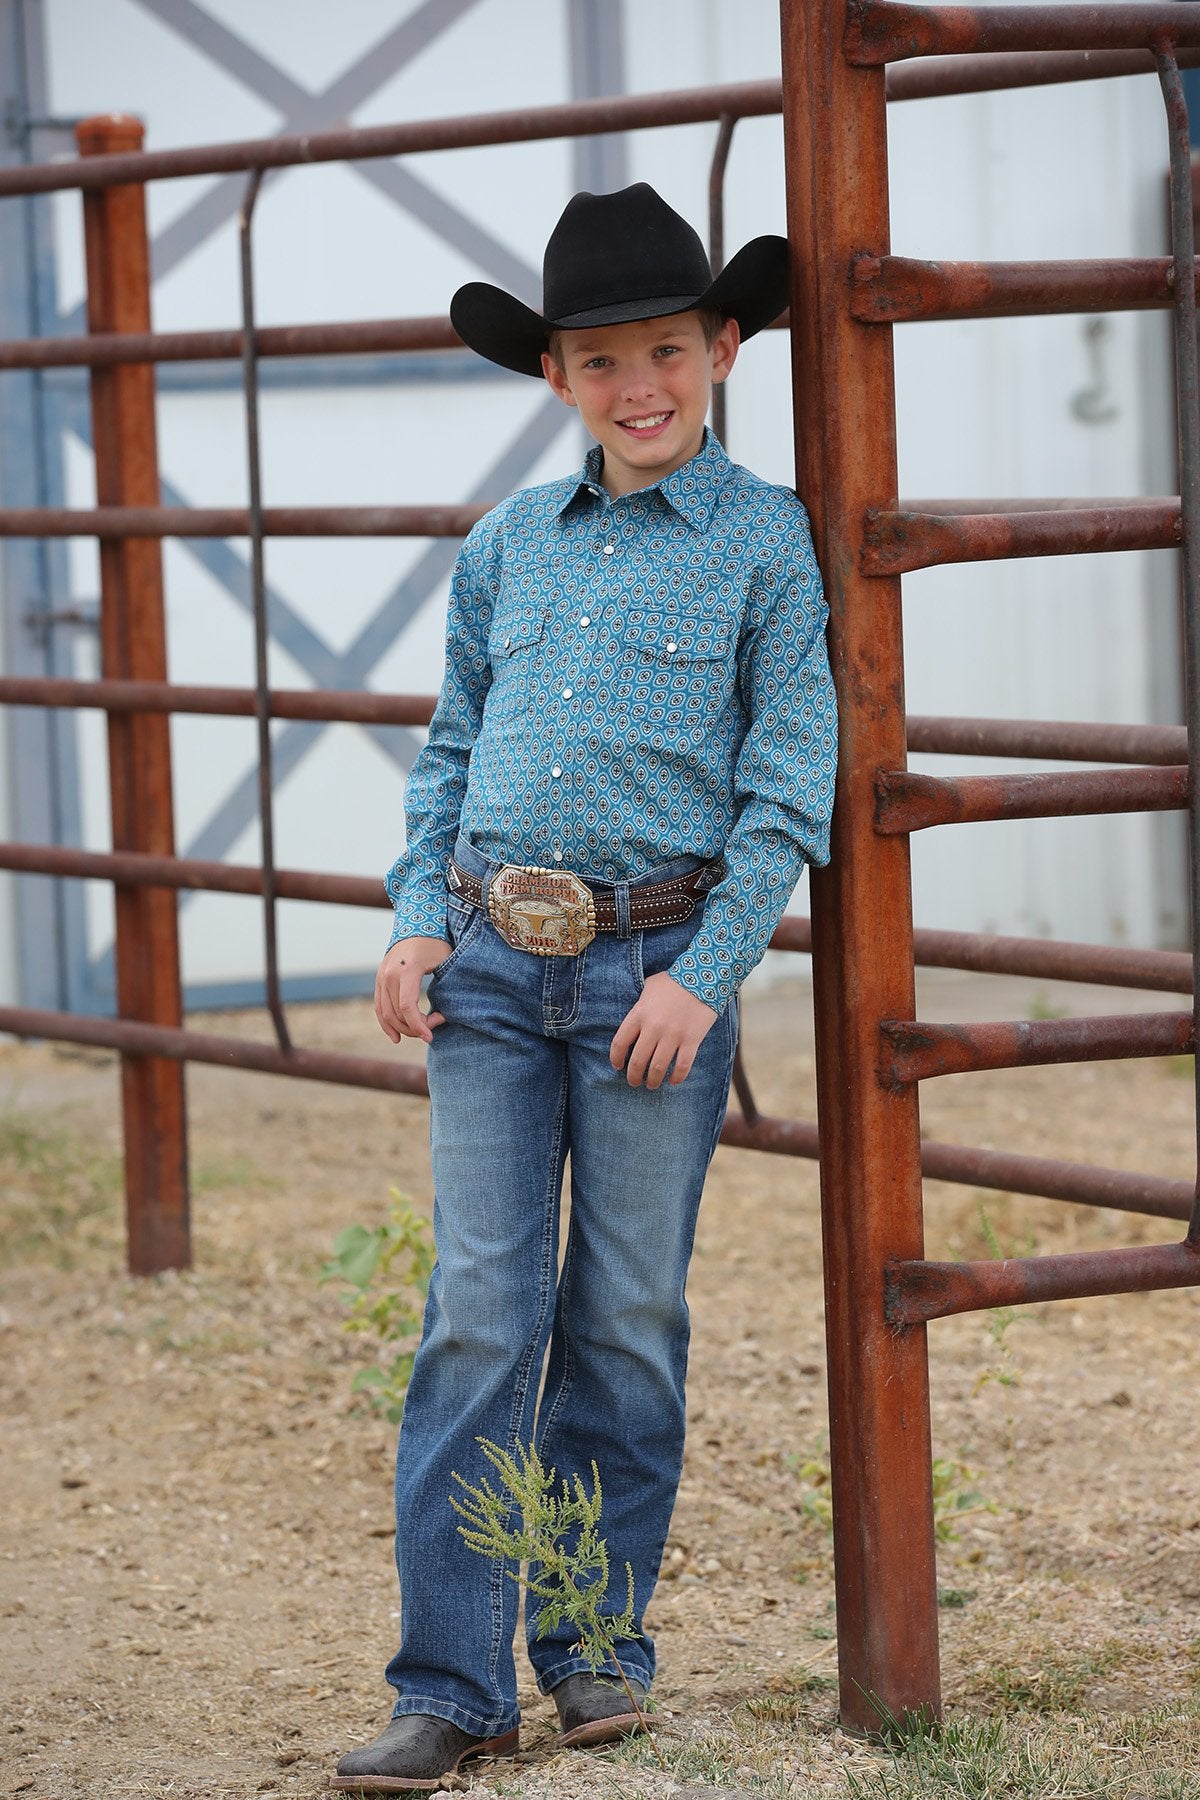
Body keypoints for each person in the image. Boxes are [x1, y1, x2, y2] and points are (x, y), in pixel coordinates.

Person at [333, 182, 837, 1794]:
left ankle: (593, 1644)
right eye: (605, 359)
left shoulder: (766, 541)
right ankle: (452, 1684)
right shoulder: (506, 548)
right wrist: (419, 915)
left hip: (649, 983)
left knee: (624, 1319)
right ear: (557, 376)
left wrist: (707, 972)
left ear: (725, 349)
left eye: (669, 352)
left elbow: (785, 784)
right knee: (478, 1316)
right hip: (489, 968)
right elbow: (453, 754)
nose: (641, 387)